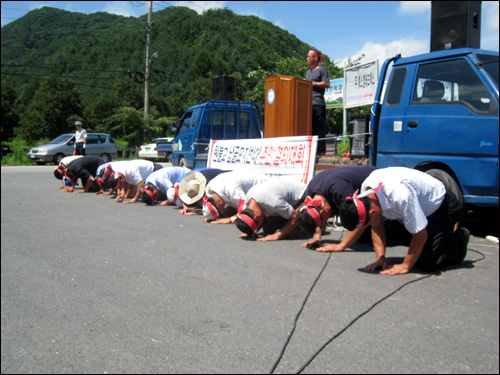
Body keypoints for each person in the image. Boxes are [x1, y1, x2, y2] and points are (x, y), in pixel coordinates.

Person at [337, 167, 470, 275]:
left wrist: (406, 265)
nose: (371, 224)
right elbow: (376, 227)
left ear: (372, 212)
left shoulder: (400, 197)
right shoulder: (365, 192)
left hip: (440, 206)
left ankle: (459, 239)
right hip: (413, 206)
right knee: (374, 235)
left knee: (426, 263)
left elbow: (420, 235)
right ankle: (419, 243)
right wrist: (380, 259)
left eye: (368, 222)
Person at [297, 165, 377, 249]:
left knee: (365, 234)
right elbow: (314, 214)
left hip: (380, 183)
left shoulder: (340, 191)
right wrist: (316, 238)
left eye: (324, 221)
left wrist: (341, 246)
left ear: (323, 211)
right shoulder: (310, 195)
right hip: (359, 189)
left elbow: (361, 216)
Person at [234, 180, 306, 241]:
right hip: (282, 201)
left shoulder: (273, 202)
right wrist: (250, 231)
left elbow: (295, 217)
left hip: (301, 197)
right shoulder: (249, 201)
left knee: (290, 234)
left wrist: (277, 235)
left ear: (257, 217)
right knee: (268, 229)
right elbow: (247, 218)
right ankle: (286, 216)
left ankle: (306, 225)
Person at [202, 171, 272, 224]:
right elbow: (206, 201)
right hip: (241, 192)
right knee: (226, 213)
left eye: (220, 209)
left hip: (264, 186)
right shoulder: (209, 187)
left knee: (241, 217)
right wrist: (209, 216)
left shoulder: (232, 190)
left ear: (219, 204)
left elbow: (244, 209)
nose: (222, 209)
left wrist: (229, 220)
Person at [305, 50, 330, 156]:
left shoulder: (321, 70)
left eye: (308, 57)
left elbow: (327, 84)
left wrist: (313, 83)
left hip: (318, 102)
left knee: (319, 127)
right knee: (311, 128)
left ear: (315, 58)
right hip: (307, 103)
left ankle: (321, 150)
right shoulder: (308, 72)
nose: (307, 59)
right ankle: (312, 150)